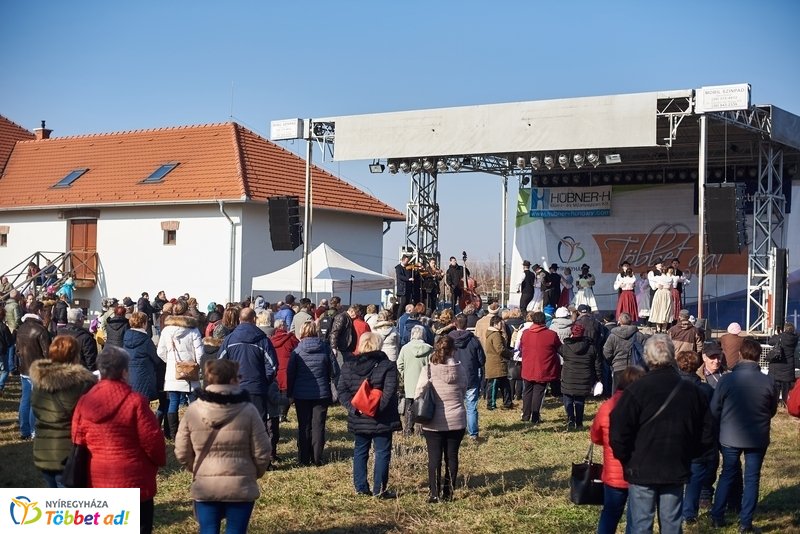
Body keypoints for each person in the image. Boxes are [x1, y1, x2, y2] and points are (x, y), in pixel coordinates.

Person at [610, 334, 714, 534]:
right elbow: (707, 432)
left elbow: (618, 430)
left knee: (640, 526)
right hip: (674, 465)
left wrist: (626, 458)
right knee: (672, 526)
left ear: (647, 357)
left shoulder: (636, 390)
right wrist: (689, 455)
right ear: (672, 356)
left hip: (642, 467)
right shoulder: (691, 391)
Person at [72, 346, 166, 534]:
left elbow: (77, 439)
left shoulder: (84, 401)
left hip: (99, 479)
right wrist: (159, 461)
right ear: (124, 372)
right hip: (134, 481)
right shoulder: (136, 402)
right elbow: (153, 440)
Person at [174, 359, 271, 534]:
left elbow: (181, 451)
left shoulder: (193, 410)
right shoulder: (248, 410)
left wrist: (195, 467)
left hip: (205, 484)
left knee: (208, 530)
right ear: (234, 379)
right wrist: (253, 472)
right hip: (241, 485)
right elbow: (263, 451)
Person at [709, 338, 778, 532]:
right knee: (752, 478)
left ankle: (717, 515)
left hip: (730, 435)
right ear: (758, 357)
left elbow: (714, 409)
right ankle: (745, 522)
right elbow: (771, 409)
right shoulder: (768, 381)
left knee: (727, 474)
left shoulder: (726, 380)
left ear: (740, 354)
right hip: (757, 436)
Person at [337, 332, 402, 498]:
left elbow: (342, 391)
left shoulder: (348, 365)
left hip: (359, 416)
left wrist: (354, 409)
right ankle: (379, 490)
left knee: (360, 450)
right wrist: (376, 409)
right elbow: (389, 392)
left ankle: (360, 487)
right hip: (382, 417)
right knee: (382, 452)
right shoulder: (387, 365)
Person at [30, 335, 96, 487]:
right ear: (75, 355)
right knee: (70, 505)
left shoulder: (39, 381)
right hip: (69, 452)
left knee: (54, 499)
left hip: (43, 449)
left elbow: (36, 410)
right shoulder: (82, 384)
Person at [591, 366, 647, 534]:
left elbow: (595, 436)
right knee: (636, 517)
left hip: (613, 472)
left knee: (609, 514)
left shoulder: (607, 406)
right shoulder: (645, 407)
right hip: (639, 472)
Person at [414, 335, 467, 503]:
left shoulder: (429, 369)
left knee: (434, 457)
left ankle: (434, 493)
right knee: (452, 456)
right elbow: (464, 391)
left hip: (433, 420)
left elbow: (419, 393)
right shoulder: (460, 370)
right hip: (456, 419)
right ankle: (448, 492)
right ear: (453, 351)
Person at [287, 321, 339, 466]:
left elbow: (291, 374)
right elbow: (335, 371)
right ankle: (317, 458)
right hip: (321, 393)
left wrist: (290, 393)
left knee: (304, 425)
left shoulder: (297, 351)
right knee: (318, 425)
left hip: (301, 393)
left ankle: (304, 458)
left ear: (302, 332)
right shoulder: (325, 348)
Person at [219, 307, 278, 425]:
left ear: (239, 319)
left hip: (237, 389)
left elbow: (220, 363)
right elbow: (272, 366)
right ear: (254, 319)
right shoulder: (263, 340)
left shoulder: (229, 340)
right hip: (256, 389)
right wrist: (264, 382)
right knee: (257, 426)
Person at [157, 300, 204, 437]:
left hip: (173, 371)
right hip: (190, 371)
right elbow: (200, 353)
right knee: (194, 401)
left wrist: (171, 363)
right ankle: (195, 430)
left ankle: (173, 433)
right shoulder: (193, 330)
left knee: (173, 401)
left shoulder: (166, 330)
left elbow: (160, 351)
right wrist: (195, 366)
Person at [16, 302, 51, 440]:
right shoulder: (41, 330)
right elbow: (47, 353)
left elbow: (18, 350)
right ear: (38, 311)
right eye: (43, 310)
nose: (44, 313)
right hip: (38, 370)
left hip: (24, 368)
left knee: (25, 400)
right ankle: (33, 431)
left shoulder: (21, 328)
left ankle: (24, 430)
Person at [518, 311, 561, 424]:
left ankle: (525, 415)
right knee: (538, 392)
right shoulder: (551, 334)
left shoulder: (526, 333)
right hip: (543, 367)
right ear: (544, 321)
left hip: (528, 367)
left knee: (527, 391)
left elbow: (521, 347)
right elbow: (559, 347)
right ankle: (535, 416)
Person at [558, 323, 602, 430]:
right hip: (584, 377)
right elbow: (597, 365)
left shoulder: (565, 347)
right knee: (580, 400)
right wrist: (598, 378)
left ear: (572, 333)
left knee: (567, 398)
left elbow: (559, 352)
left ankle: (570, 419)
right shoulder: (591, 348)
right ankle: (579, 422)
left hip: (568, 376)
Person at [448, 314, 485, 440]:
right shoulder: (474, 340)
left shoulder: (448, 340)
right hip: (470, 376)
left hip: (453, 377)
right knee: (471, 406)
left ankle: (454, 429)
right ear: (466, 323)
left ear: (454, 324)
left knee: (453, 405)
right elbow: (481, 360)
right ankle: (472, 433)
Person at [396, 325, 433, 436]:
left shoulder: (405, 348)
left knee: (409, 405)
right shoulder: (429, 349)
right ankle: (421, 429)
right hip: (424, 381)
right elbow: (432, 365)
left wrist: (404, 374)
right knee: (423, 405)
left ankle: (408, 428)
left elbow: (399, 364)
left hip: (409, 381)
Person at [124, 311, 160, 404]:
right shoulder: (145, 340)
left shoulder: (125, 338)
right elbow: (156, 359)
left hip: (128, 377)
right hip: (144, 376)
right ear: (144, 323)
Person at [484, 314, 513, 410]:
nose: (502, 325)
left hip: (497, 364)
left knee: (505, 385)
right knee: (493, 386)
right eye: (501, 323)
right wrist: (510, 353)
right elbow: (500, 349)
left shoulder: (491, 334)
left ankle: (508, 403)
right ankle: (491, 404)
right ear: (496, 324)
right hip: (496, 364)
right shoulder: (496, 335)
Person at [56, 307, 98, 371]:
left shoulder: (59, 333)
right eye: (83, 316)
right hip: (80, 373)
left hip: (63, 371)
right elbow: (91, 362)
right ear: (80, 319)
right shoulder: (86, 338)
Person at [767, 322, 797, 407]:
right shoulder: (795, 338)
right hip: (788, 368)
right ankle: (785, 405)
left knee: (776, 389)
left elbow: (770, 342)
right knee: (786, 390)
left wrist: (776, 334)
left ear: (784, 329)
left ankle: (775, 405)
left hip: (777, 366)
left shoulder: (780, 337)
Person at [648, 263, 674, 332]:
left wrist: (657, 285)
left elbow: (650, 279)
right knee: (666, 310)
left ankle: (658, 328)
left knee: (658, 310)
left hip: (659, 293)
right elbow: (671, 288)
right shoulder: (670, 279)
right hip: (667, 294)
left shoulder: (657, 278)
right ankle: (664, 328)